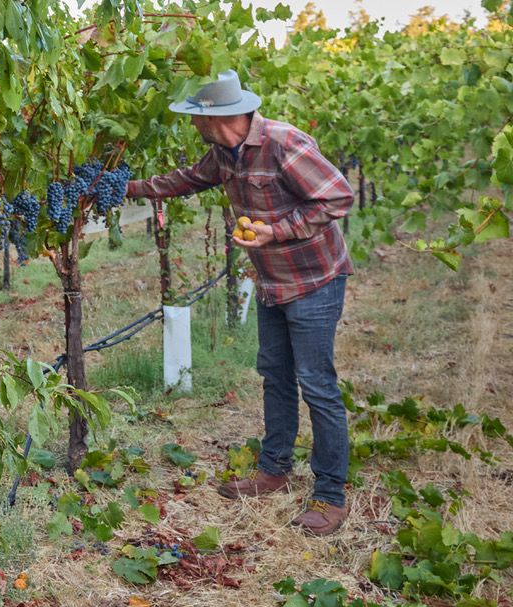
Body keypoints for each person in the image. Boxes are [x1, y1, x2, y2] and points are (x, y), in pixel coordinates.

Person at [126, 71, 354, 536]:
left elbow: (338, 196)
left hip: (313, 280)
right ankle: (274, 469)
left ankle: (330, 496)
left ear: (220, 117)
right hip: (272, 280)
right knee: (274, 374)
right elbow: (186, 180)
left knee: (317, 384)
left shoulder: (282, 142)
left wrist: (279, 229)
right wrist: (125, 189)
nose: (192, 125)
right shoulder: (223, 154)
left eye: (196, 117)